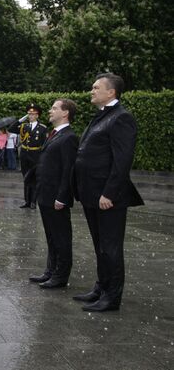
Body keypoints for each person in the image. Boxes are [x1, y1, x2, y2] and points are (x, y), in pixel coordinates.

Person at [73, 73, 143, 312]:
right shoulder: (101, 116)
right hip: (92, 194)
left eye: (96, 87)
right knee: (99, 245)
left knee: (111, 248)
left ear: (111, 92)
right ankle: (101, 287)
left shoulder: (122, 118)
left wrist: (110, 193)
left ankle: (112, 297)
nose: (91, 91)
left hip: (108, 197)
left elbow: (122, 161)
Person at [30, 99, 79, 289]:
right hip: (45, 194)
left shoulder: (69, 137)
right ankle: (50, 271)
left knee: (61, 237)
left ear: (65, 113)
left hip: (56, 197)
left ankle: (60, 275)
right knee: (51, 236)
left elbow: (69, 170)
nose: (50, 111)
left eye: (54, 108)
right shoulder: (54, 134)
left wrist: (63, 196)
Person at [8, 104, 48, 209]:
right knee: (26, 178)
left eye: (33, 114)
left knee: (34, 178)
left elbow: (45, 144)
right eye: (29, 114)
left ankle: (33, 202)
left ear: (37, 115)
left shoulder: (43, 128)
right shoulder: (23, 126)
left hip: (35, 155)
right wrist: (21, 119)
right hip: (25, 154)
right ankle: (27, 201)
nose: (31, 116)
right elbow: (11, 128)